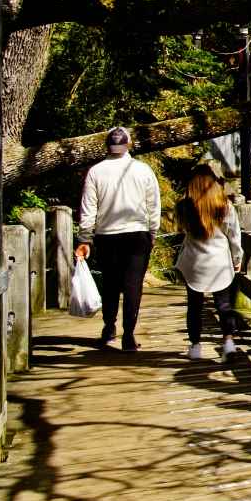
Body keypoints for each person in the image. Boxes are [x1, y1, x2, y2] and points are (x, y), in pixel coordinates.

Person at [76, 126, 161, 352]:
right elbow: (153, 206)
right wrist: (153, 232)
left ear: (108, 146)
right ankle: (129, 335)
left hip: (107, 235)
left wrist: (85, 238)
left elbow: (88, 208)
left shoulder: (95, 171)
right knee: (133, 285)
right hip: (137, 234)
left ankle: (109, 327)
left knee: (111, 283)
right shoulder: (143, 170)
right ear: (129, 145)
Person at [174, 164, 243, 361]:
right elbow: (234, 235)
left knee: (194, 305)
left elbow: (183, 231)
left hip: (194, 262)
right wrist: (237, 258)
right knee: (224, 305)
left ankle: (195, 346)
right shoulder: (224, 205)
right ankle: (229, 342)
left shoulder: (184, 206)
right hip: (219, 262)